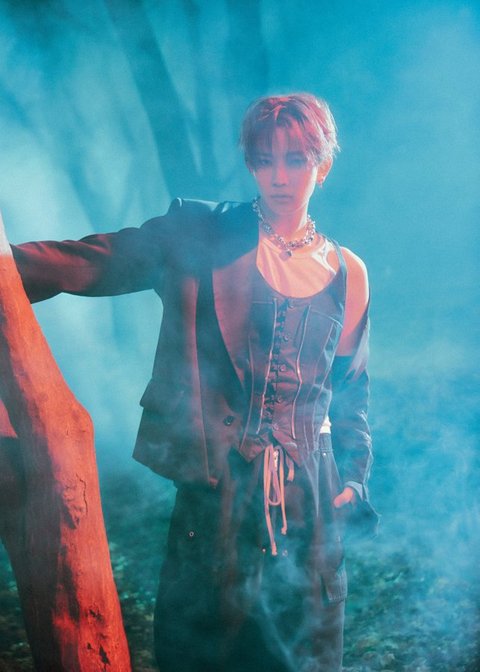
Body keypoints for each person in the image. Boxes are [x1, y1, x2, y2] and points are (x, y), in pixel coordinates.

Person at [11, 93, 378, 672]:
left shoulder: (348, 273)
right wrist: (5, 264)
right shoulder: (202, 234)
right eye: (264, 160)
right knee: (201, 655)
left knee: (304, 660)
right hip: (215, 500)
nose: (279, 176)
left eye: (295, 160)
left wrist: (353, 482)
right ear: (251, 163)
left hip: (310, 510)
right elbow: (97, 260)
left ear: (323, 165)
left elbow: (351, 394)